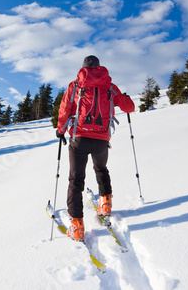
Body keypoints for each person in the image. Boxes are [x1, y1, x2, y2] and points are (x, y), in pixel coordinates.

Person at [56, 55, 135, 242]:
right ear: (99, 67)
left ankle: (76, 226)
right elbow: (129, 108)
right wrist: (126, 98)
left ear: (83, 68)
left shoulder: (75, 86)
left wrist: (61, 130)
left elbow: (65, 108)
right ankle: (105, 205)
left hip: (79, 139)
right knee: (101, 169)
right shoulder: (110, 87)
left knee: (76, 180)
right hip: (101, 139)